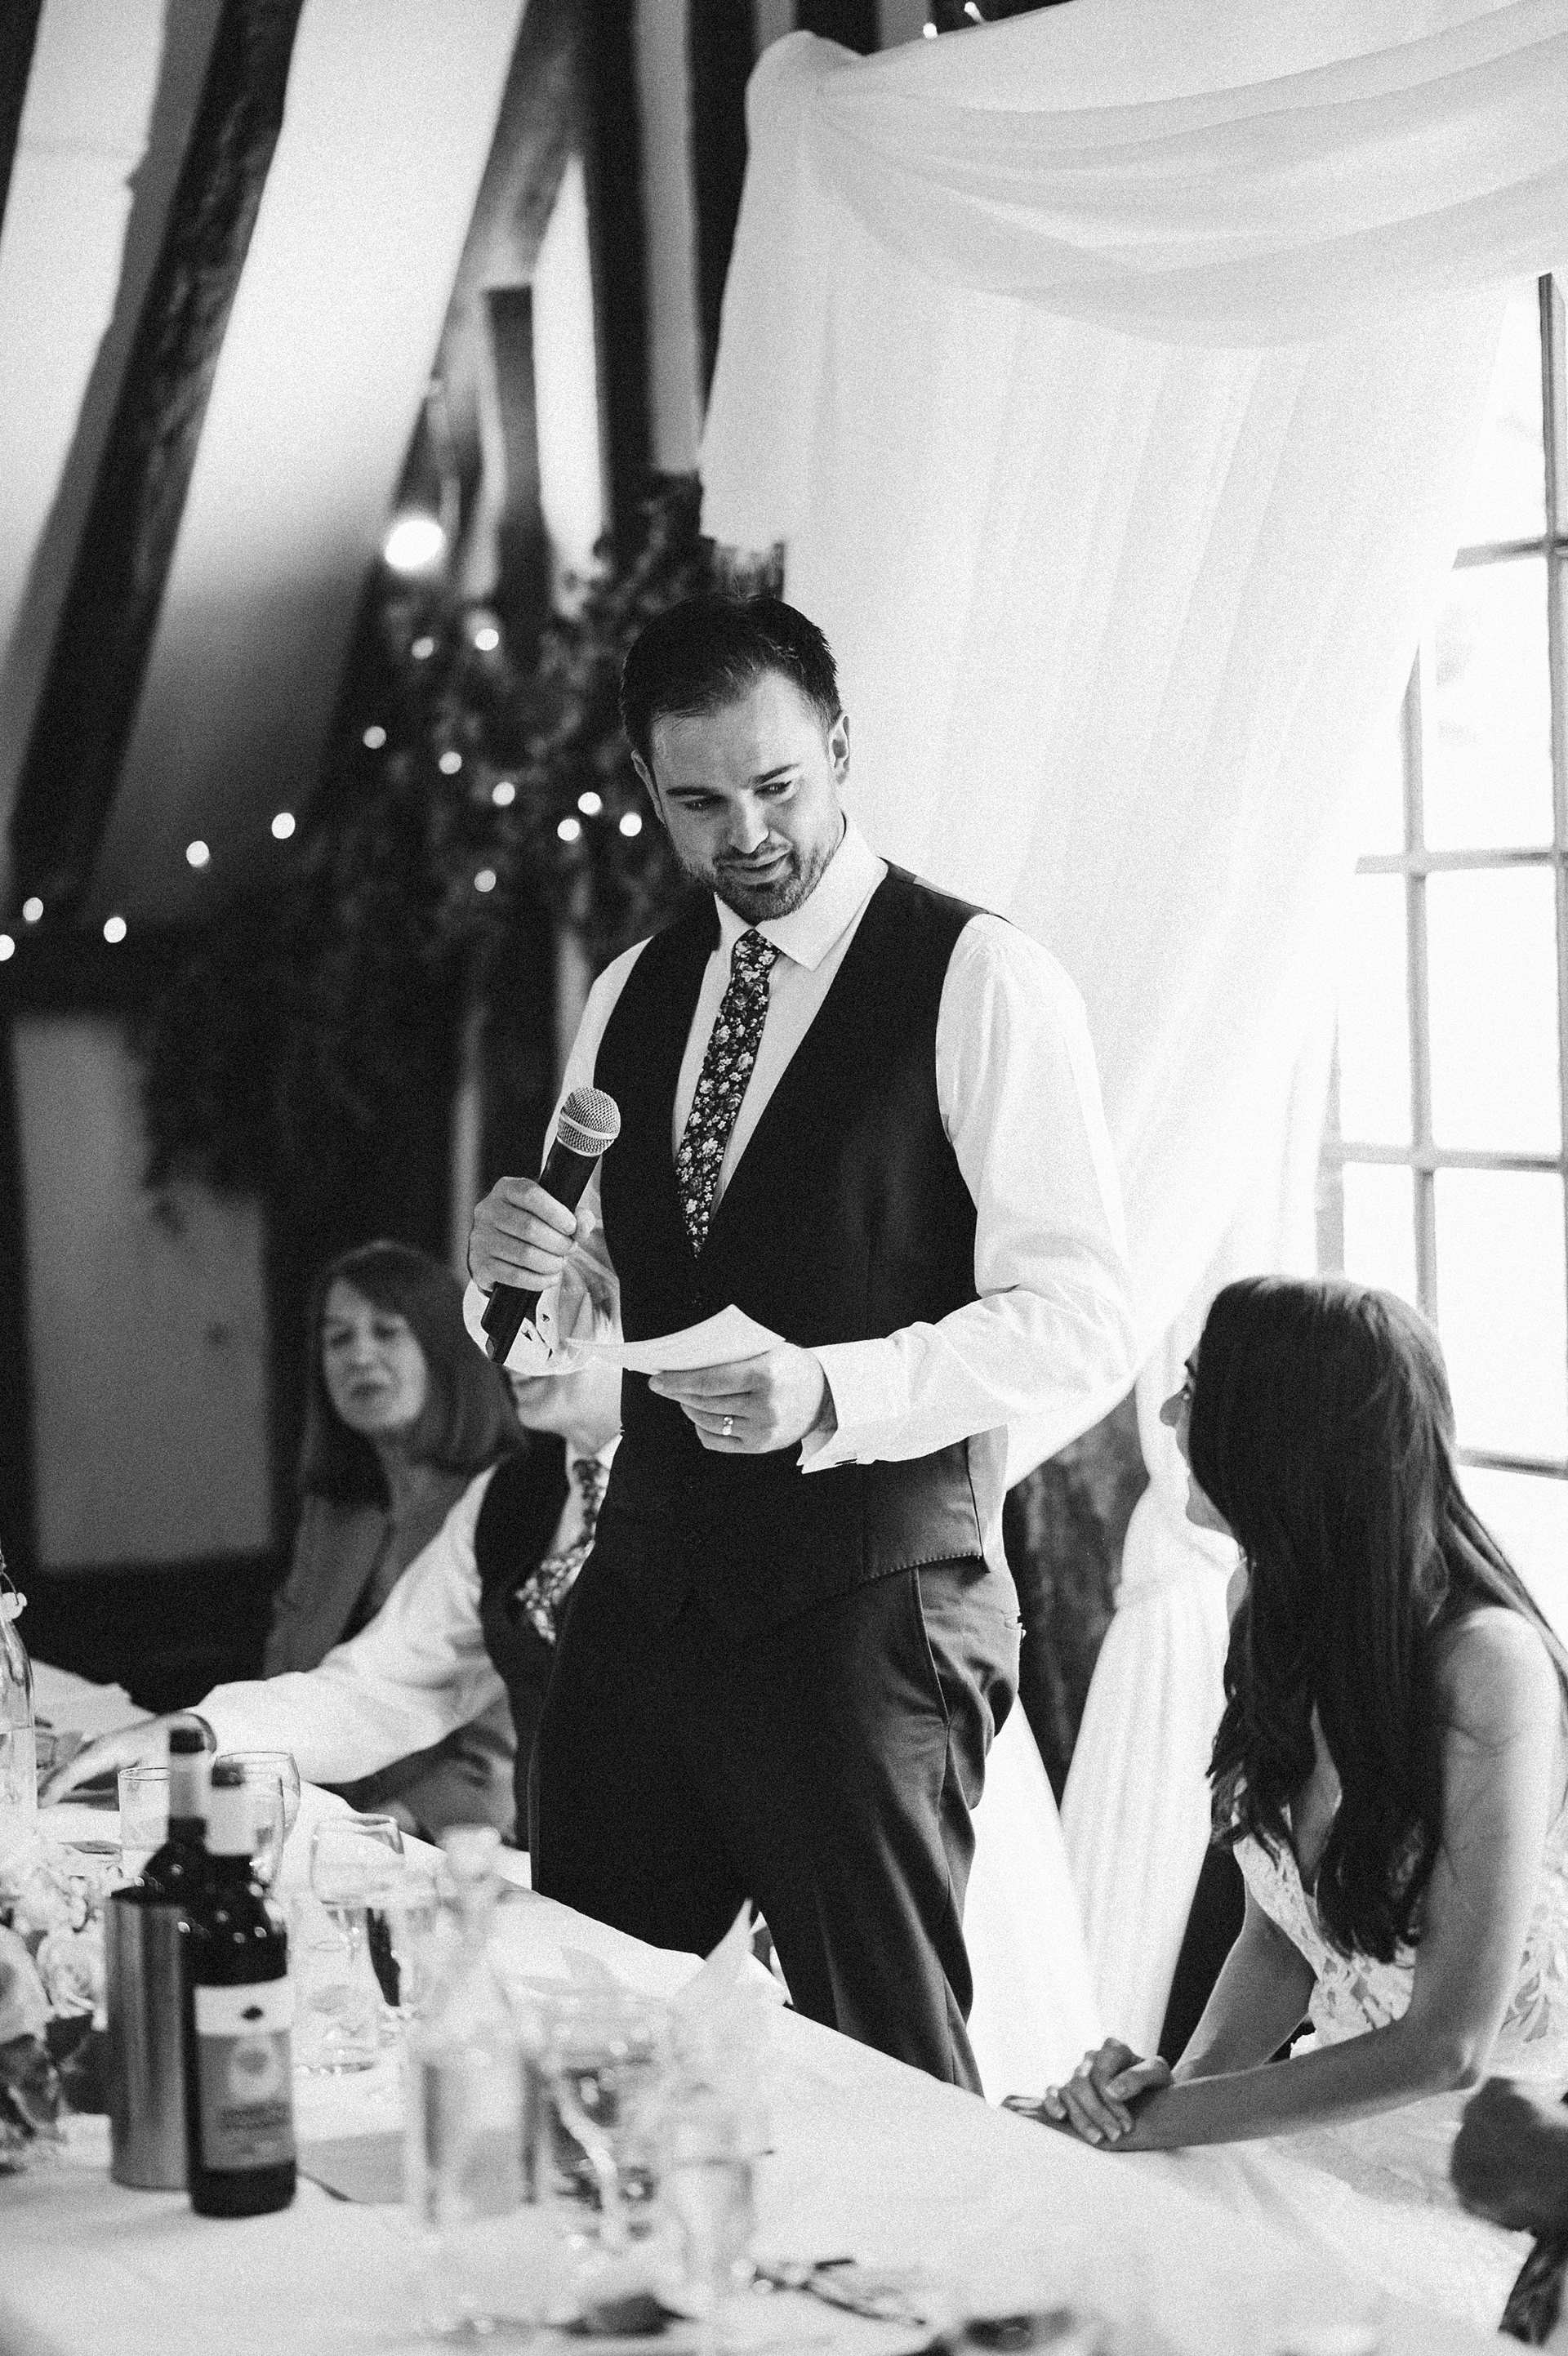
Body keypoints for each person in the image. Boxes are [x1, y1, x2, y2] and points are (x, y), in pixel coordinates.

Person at [465, 591, 1136, 2087]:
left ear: (839, 747)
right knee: (589, 2047)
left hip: (868, 1612)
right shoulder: (632, 992)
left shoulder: (982, 979)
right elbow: (572, 1321)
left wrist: (832, 1388)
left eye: (777, 785)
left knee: (889, 2076)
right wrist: (516, 1278)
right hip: (642, 1599)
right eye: (701, 804)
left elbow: (1086, 1319)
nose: (749, 834)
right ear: (651, 793)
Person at [1013, 1276, 1568, 2323]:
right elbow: (1281, 1937)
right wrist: (1155, 2098)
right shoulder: (1260, 1602)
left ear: (1280, 1436)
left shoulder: (1488, 1665)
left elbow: (1447, 2045)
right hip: (1318, 2140)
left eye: (1193, 1388)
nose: (1168, 1412)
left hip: (1481, 2188)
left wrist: (1170, 2122)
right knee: (1051, 2216)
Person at [42, 1291, 625, 1838]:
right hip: (554, 1875)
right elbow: (382, 1687)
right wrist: (198, 1735)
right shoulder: (508, 1494)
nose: (512, 1343)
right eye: (508, 1310)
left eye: (550, 1311)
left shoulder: (682, 1499)